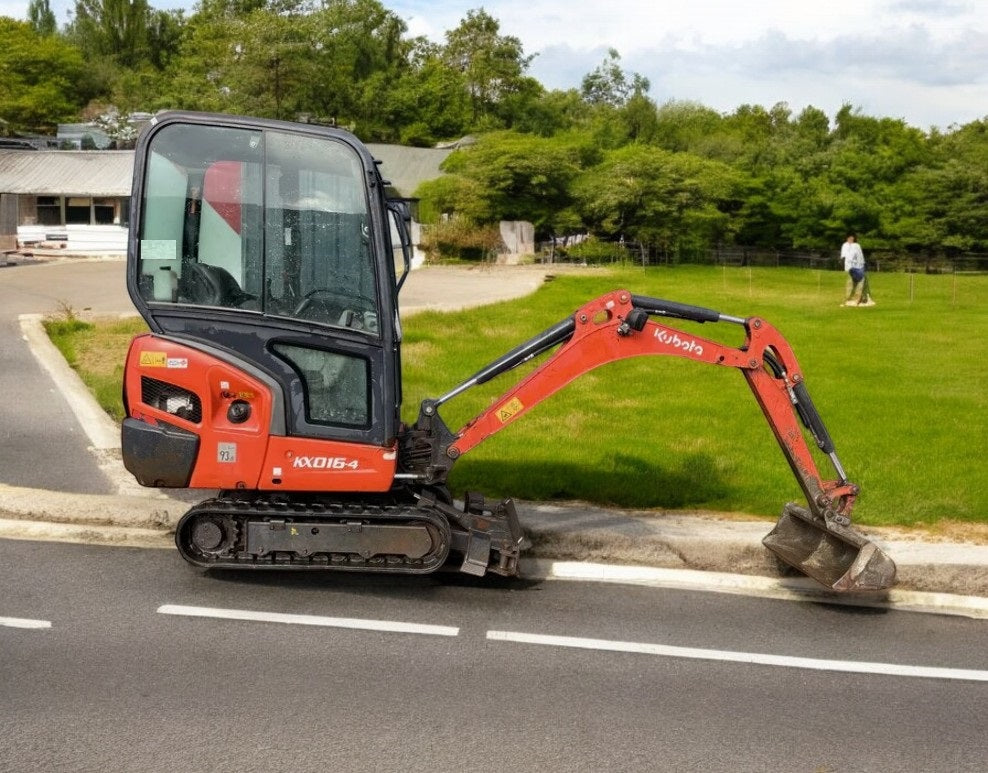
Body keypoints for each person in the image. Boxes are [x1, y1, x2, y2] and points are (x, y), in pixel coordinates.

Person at [840, 234, 875, 306]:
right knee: (851, 284)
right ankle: (849, 299)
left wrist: (862, 265)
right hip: (851, 268)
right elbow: (845, 256)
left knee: (860, 283)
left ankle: (859, 299)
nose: (851, 239)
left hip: (859, 267)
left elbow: (859, 256)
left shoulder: (856, 246)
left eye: (852, 237)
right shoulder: (845, 245)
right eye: (849, 237)